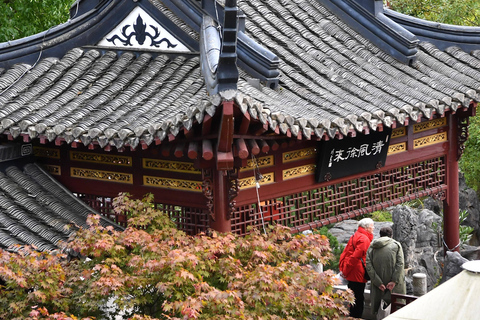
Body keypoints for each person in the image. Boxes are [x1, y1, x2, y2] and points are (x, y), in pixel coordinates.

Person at [366, 226, 406, 319]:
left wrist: (378, 282)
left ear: (380, 235)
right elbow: (400, 264)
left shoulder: (372, 246)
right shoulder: (396, 245)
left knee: (380, 312)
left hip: (378, 287)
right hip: (394, 286)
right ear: (391, 235)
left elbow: (369, 266)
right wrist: (394, 281)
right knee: (396, 309)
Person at [339, 218, 374, 318]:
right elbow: (355, 257)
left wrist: (343, 268)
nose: (373, 228)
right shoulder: (364, 239)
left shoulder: (355, 235)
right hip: (357, 273)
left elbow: (345, 253)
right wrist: (345, 270)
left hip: (352, 272)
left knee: (353, 297)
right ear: (367, 227)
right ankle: (356, 317)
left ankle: (353, 316)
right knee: (358, 298)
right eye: (372, 226)